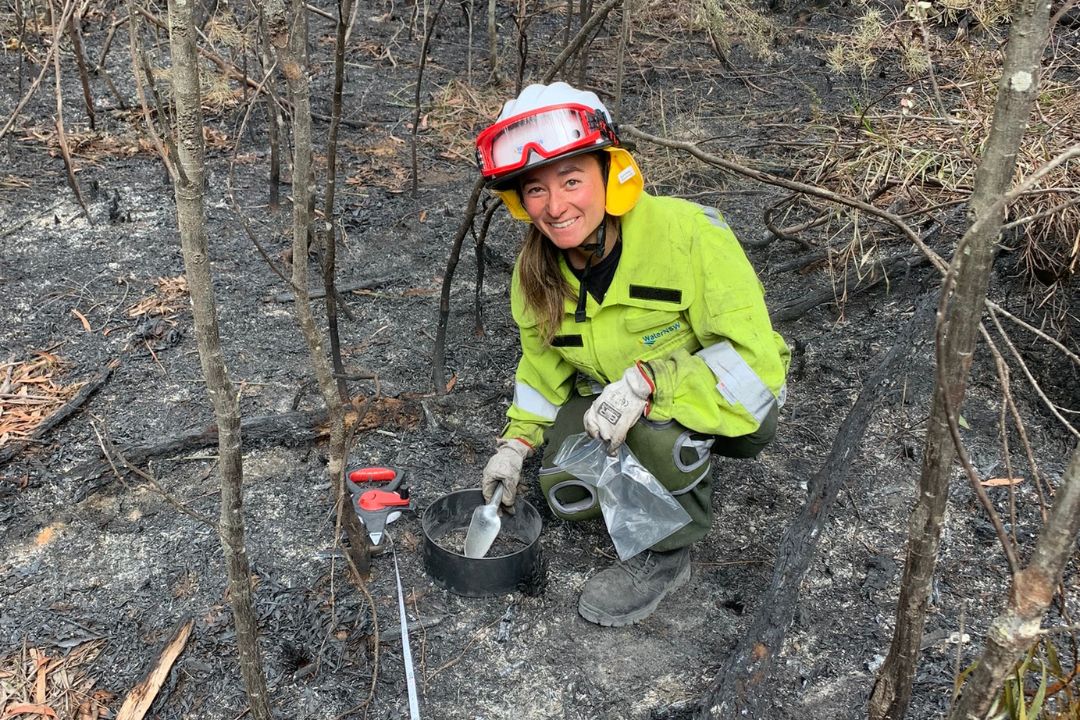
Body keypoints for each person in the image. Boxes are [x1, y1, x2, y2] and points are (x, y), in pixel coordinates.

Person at [475, 81, 790, 627]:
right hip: (613, 394)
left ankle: (667, 553)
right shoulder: (535, 275)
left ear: (611, 175)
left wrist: (649, 384)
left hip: (730, 400)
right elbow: (543, 366)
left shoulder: (690, 236)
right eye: (534, 191)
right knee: (564, 488)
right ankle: (656, 462)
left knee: (654, 435)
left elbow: (755, 364)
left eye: (572, 180)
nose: (555, 207)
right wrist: (516, 444)